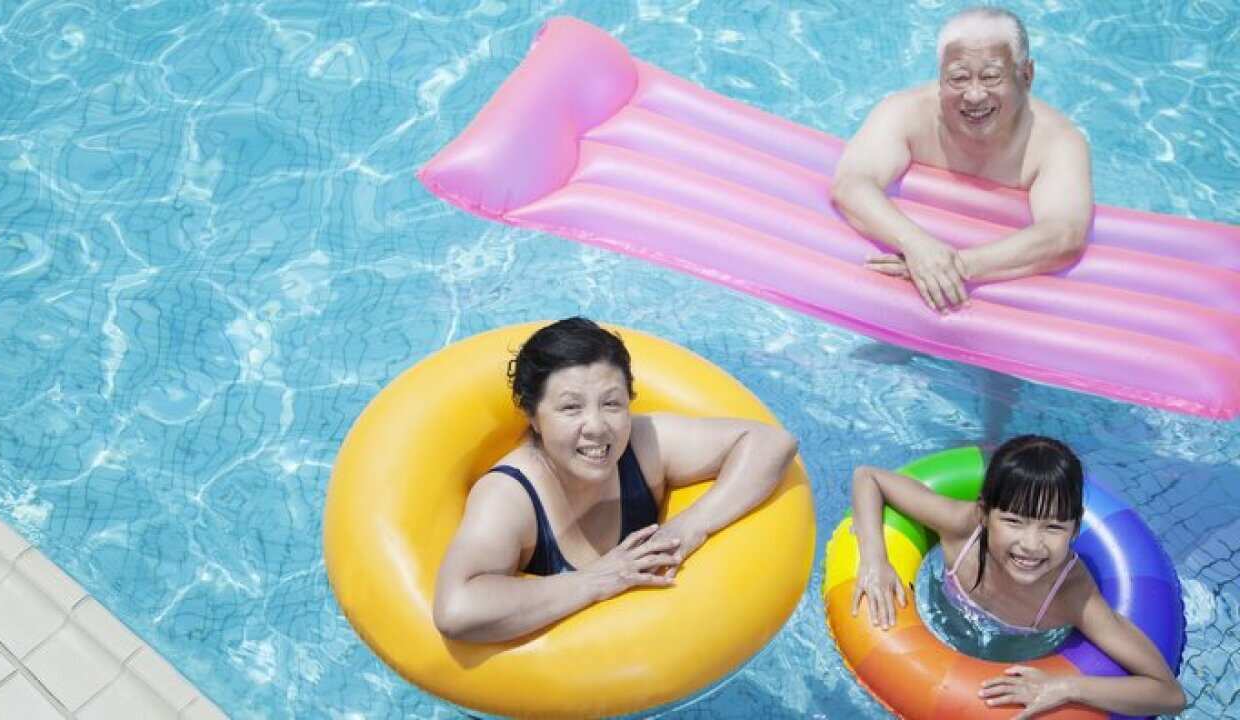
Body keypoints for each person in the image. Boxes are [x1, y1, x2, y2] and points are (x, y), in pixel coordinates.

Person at [432, 317, 798, 643]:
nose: (596, 427)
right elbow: (457, 609)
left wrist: (690, 525)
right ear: (533, 416)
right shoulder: (510, 496)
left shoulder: (645, 444)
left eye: (611, 404)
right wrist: (595, 580)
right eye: (570, 407)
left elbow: (772, 443)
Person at [850, 436, 1185, 718]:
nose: (1031, 545)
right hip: (940, 630)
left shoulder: (1072, 595)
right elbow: (869, 478)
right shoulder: (963, 528)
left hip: (1014, 654)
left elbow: (1169, 694)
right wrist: (874, 559)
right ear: (984, 514)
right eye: (1013, 521)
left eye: (1053, 527)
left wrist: (1066, 686)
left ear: (1075, 528)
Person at [831, 6, 1092, 313]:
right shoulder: (906, 113)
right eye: (959, 78)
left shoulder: (1057, 141)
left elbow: (1064, 234)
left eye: (991, 77)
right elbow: (851, 183)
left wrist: (954, 266)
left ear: (1026, 76)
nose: (974, 95)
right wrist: (916, 245)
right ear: (941, 76)